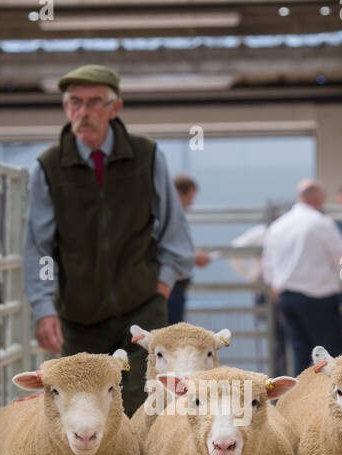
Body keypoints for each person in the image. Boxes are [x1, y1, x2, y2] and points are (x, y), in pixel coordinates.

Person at [23, 64, 195, 415]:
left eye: (95, 102)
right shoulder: (49, 166)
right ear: (65, 107)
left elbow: (174, 230)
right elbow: (40, 248)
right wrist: (43, 307)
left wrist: (161, 286)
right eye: (75, 102)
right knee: (84, 412)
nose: (84, 112)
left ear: (115, 108)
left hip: (142, 307)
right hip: (79, 315)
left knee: (143, 407)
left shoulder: (146, 156)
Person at [261, 179, 342, 373]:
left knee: (299, 354)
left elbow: (267, 266)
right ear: (319, 198)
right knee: (328, 355)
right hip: (319, 297)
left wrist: (276, 292)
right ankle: (324, 401)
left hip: (287, 297)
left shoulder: (277, 226)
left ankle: (300, 400)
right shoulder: (320, 222)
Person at [166, 173, 212, 325]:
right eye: (189, 200)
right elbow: (166, 250)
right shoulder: (167, 216)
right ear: (179, 194)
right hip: (169, 286)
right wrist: (193, 257)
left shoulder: (172, 217)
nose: (190, 205)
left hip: (175, 285)